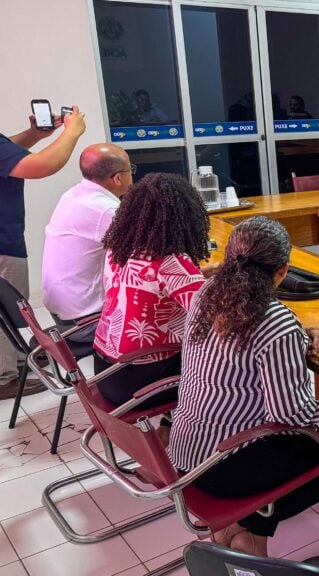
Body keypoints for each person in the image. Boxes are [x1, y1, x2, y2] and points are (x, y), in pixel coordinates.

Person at [170, 216, 319, 556]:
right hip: (221, 467)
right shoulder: (275, 322)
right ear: (283, 271)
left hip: (185, 452)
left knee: (294, 446)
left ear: (229, 258)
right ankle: (248, 531)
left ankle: (237, 530)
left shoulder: (206, 293)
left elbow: (247, 337)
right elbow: (289, 413)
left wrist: (299, 334)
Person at [92, 173, 210, 408]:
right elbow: (216, 315)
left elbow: (159, 287)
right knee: (229, 356)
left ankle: (169, 423)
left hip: (106, 372)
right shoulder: (169, 263)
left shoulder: (119, 251)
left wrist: (207, 274)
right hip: (141, 384)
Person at [0, 105, 87, 400]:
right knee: (7, 309)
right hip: (2, 243)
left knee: (11, 306)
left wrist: (34, 134)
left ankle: (17, 359)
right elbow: (43, 166)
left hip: (7, 237)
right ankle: (5, 376)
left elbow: (7, 149)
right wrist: (72, 131)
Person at [42, 144, 134, 343]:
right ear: (118, 178)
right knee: (172, 316)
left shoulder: (73, 195)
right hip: (86, 322)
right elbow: (146, 257)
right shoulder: (105, 209)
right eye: (131, 170)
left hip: (62, 312)